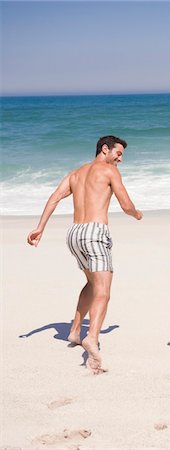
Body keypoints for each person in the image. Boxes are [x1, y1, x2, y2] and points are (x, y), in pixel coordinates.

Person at [27, 135, 143, 374]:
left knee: (91, 283)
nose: (120, 159)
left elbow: (55, 198)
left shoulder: (76, 173)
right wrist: (137, 214)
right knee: (104, 290)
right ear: (105, 149)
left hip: (74, 234)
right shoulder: (109, 171)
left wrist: (40, 227)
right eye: (118, 153)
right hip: (95, 232)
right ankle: (92, 337)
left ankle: (74, 330)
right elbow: (125, 204)